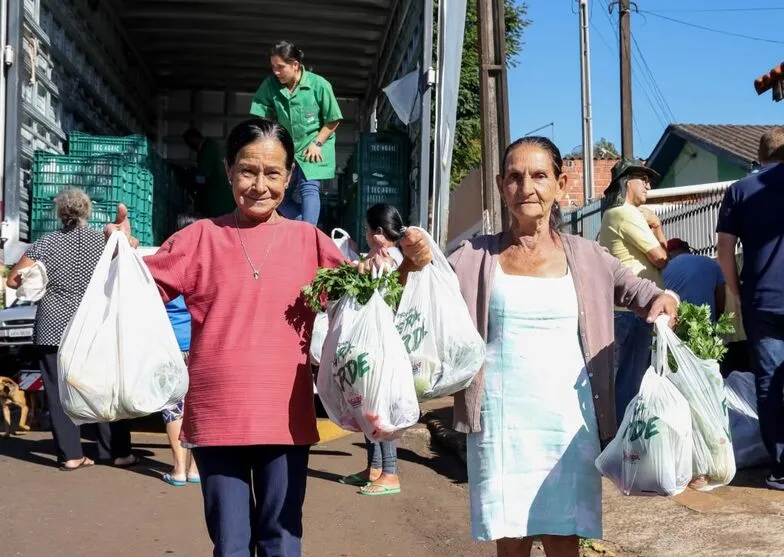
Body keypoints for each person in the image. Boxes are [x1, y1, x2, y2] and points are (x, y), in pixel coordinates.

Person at [104, 118, 430, 557]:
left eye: (273, 173)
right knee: (231, 543)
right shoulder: (199, 238)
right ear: (228, 170)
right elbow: (135, 294)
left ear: (290, 176)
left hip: (286, 419)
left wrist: (409, 266)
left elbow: (369, 303)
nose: (259, 185)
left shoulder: (309, 241)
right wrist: (118, 253)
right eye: (247, 170)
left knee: (282, 539)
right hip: (218, 420)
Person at [448, 136, 677, 557]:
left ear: (560, 183)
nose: (526, 188)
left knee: (564, 535)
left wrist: (665, 299)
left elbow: (640, 290)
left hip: (569, 419)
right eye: (515, 177)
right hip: (501, 419)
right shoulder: (473, 257)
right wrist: (408, 263)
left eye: (539, 176)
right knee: (511, 534)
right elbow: (430, 291)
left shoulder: (588, 256)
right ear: (501, 186)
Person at [7, 188, 136, 471]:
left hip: (52, 326)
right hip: (93, 325)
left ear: (60, 213)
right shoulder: (102, 241)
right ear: (87, 211)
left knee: (57, 391)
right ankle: (116, 452)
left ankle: (71, 455)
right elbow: (131, 254)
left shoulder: (45, 243)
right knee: (105, 388)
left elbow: (13, 281)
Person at [716, 127, 784, 490]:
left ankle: (781, 468)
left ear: (758, 157)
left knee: (771, 381)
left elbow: (724, 252)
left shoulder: (739, 191)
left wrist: (736, 291)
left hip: (761, 300)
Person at [338, 203, 405, 496]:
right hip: (371, 344)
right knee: (366, 406)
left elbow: (381, 290)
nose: (365, 236)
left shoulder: (392, 259)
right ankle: (374, 468)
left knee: (381, 409)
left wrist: (360, 269)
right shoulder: (379, 256)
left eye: (367, 230)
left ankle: (390, 472)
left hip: (385, 346)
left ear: (379, 232)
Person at [598, 158, 669, 424]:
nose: (649, 186)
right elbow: (661, 258)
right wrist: (657, 226)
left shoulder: (611, 216)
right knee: (633, 378)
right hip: (636, 310)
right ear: (627, 182)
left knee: (629, 376)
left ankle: (622, 436)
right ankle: (626, 439)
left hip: (627, 311)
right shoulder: (625, 214)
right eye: (644, 179)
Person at [250, 41, 343, 226]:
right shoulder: (270, 84)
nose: (276, 72)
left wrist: (317, 143)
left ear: (295, 65)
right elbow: (259, 113)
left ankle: (308, 232)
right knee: (278, 193)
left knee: (309, 187)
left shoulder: (319, 85)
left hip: (314, 144)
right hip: (288, 146)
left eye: (280, 67)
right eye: (273, 67)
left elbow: (333, 119)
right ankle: (306, 225)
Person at [161, 214, 200, 487]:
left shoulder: (168, 263)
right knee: (198, 407)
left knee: (173, 407)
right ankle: (197, 469)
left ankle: (178, 469)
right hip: (200, 344)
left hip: (170, 345)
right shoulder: (207, 262)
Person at [663, 238, 726, 321]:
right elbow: (720, 304)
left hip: (675, 326)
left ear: (668, 254)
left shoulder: (663, 269)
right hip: (706, 325)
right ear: (687, 249)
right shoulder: (712, 264)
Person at [183, 128, 236, 218]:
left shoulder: (208, 149)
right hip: (224, 199)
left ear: (195, 138)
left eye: (189, 142)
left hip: (216, 200)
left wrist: (188, 178)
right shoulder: (214, 146)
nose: (189, 146)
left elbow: (202, 177)